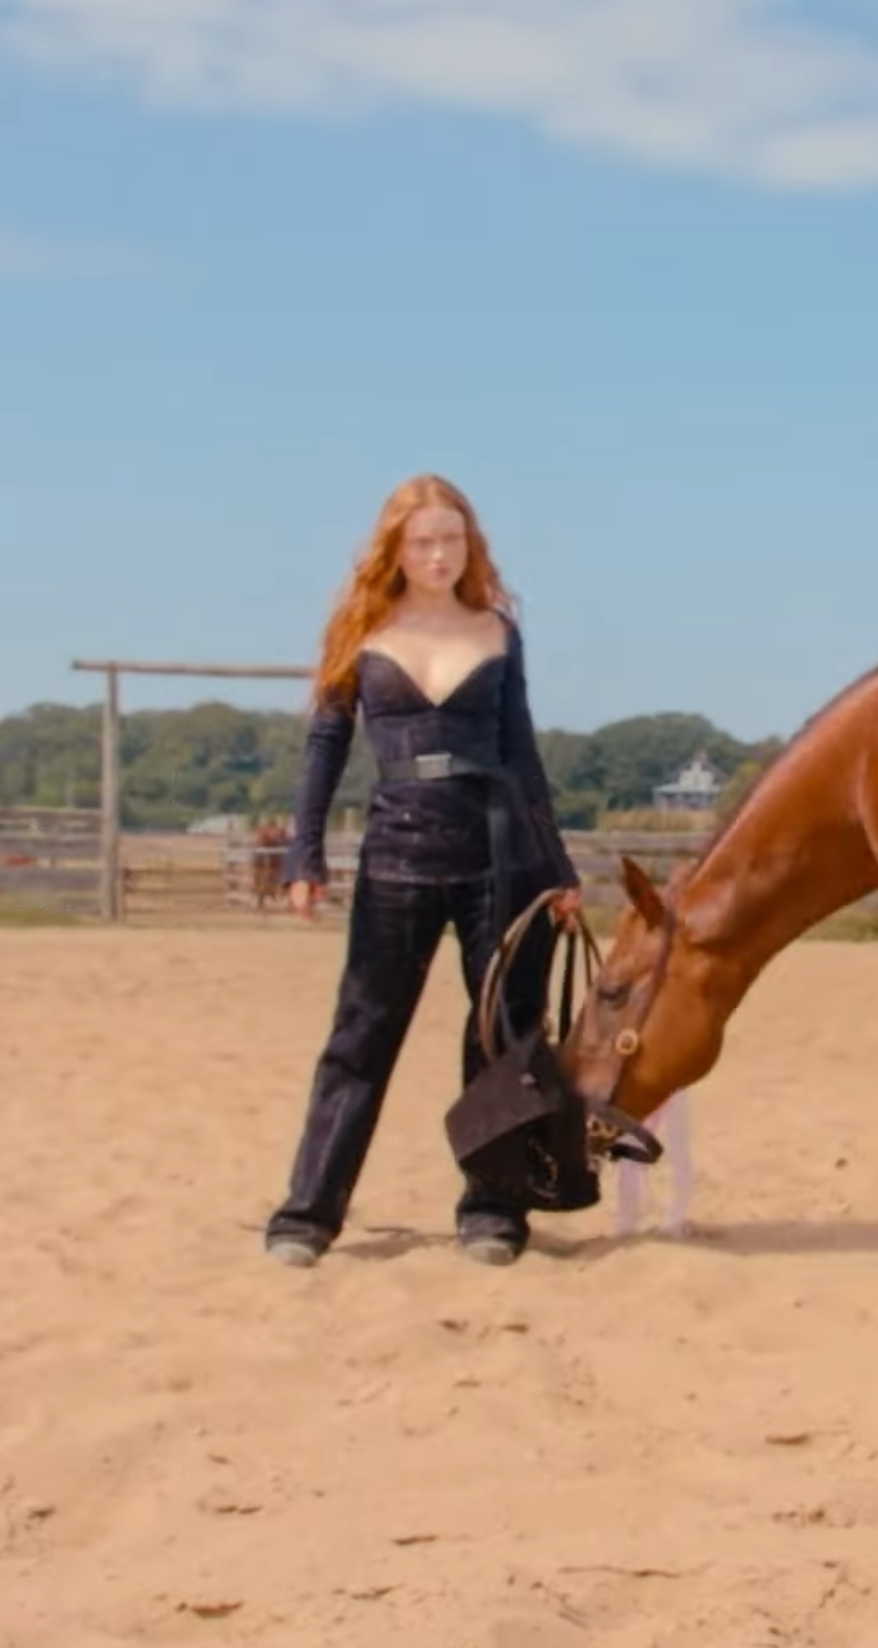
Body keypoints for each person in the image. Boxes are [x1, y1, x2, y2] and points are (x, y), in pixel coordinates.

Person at [264, 472, 584, 1270]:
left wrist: (558, 868)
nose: (440, 554)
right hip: (397, 856)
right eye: (424, 542)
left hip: (499, 859)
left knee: (504, 1039)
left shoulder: (498, 631)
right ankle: (309, 1213)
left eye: (453, 539)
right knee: (362, 1037)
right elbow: (325, 747)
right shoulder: (362, 630)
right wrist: (304, 854)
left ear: (469, 545)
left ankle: (493, 1208)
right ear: (396, 551)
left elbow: (523, 752)